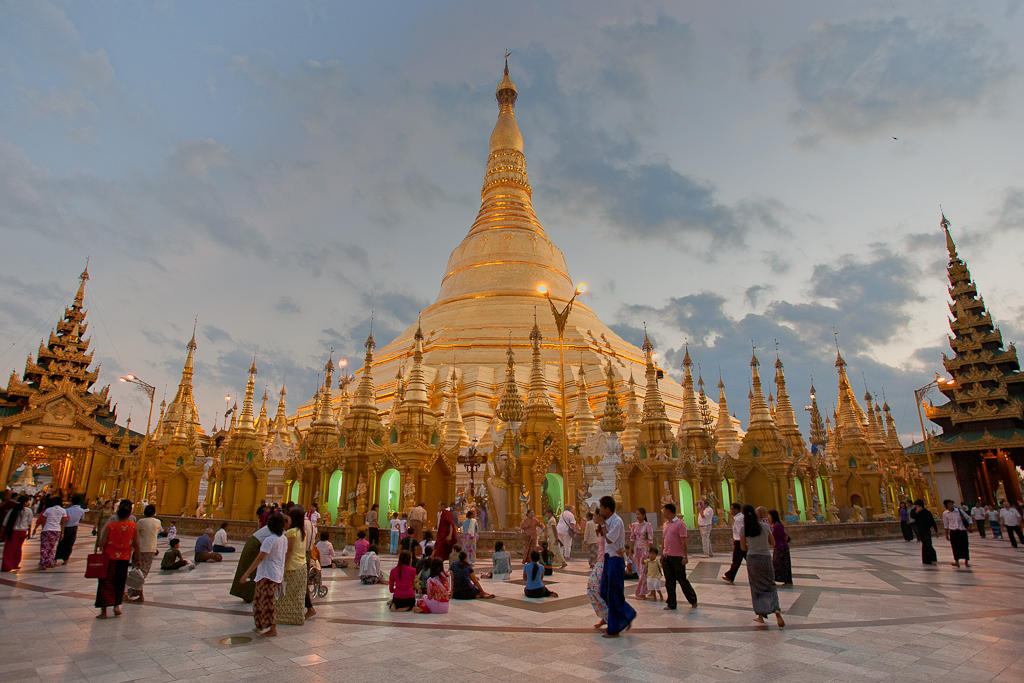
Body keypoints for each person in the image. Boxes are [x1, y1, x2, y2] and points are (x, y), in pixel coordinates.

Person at [239, 512, 288, 637]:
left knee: (266, 601)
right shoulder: (283, 538)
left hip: (268, 574)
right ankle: (260, 624)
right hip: (274, 573)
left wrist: (246, 574)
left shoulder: (270, 540)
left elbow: (259, 558)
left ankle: (272, 628)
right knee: (259, 600)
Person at [598, 495, 636, 638]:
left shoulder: (617, 522)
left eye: (602, 508)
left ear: (607, 509)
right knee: (603, 591)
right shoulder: (609, 521)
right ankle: (627, 613)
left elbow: (609, 538)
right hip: (609, 558)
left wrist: (602, 525)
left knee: (613, 594)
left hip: (616, 560)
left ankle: (613, 629)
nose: (600, 511)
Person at [95, 500, 140, 619]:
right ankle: (116, 607)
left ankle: (103, 610)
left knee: (105, 583)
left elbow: (101, 542)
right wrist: (137, 558)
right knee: (119, 583)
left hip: (109, 557)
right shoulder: (132, 525)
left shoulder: (111, 524)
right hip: (124, 558)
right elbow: (136, 544)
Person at [741, 505, 784, 627]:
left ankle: (760, 615)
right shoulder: (765, 527)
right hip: (765, 558)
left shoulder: (744, 529)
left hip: (753, 559)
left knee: (756, 586)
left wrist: (752, 546)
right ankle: (776, 609)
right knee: (770, 584)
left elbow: (743, 547)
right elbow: (773, 543)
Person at [280, 506, 314, 623]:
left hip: (292, 565)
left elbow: (289, 551)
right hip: (302, 564)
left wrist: (282, 566)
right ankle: (298, 615)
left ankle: (287, 615)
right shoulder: (303, 531)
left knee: (288, 592)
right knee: (299, 592)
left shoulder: (291, 532)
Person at [660, 503, 698, 610]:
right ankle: (671, 603)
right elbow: (664, 540)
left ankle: (692, 599)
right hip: (667, 556)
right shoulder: (666, 524)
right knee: (669, 581)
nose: (663, 512)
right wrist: (662, 554)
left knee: (682, 580)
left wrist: (685, 556)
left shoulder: (680, 524)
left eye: (664, 510)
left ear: (669, 511)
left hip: (677, 557)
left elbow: (683, 542)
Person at [231, 524, 275, 602]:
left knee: (252, 571)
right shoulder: (278, 528)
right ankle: (246, 594)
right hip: (254, 546)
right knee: (251, 570)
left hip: (255, 544)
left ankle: (249, 594)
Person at [128, 504, 162, 602]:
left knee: (137, 571)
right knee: (142, 572)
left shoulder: (141, 522)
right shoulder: (158, 522)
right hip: (151, 550)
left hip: (140, 549)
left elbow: (135, 533)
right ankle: (137, 592)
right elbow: (160, 531)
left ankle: (137, 593)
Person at [586, 515, 609, 630]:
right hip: (599, 562)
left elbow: (614, 543)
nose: (594, 516)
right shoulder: (598, 528)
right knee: (592, 588)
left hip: (606, 562)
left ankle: (609, 616)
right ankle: (606, 616)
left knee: (596, 588)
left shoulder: (609, 527)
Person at [2, 495, 32, 572]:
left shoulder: (13, 510)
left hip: (13, 531)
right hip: (22, 531)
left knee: (9, 549)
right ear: (25, 502)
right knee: (18, 548)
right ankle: (15, 564)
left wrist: (3, 533)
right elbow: (29, 523)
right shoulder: (28, 511)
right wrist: (29, 533)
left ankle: (7, 565)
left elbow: (5, 522)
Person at [55, 494, 88, 565]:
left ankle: (56, 558)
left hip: (66, 527)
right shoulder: (81, 510)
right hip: (74, 527)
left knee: (62, 543)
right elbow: (81, 519)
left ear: (72, 501)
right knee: (70, 544)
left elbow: (64, 520)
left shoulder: (67, 510)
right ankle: (66, 559)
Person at [38, 496, 67, 570]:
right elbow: (63, 523)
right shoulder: (63, 511)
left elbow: (43, 520)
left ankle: (43, 562)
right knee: (52, 547)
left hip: (47, 529)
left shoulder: (48, 510)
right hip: (57, 530)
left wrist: (44, 528)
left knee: (44, 547)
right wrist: (62, 533)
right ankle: (49, 561)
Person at [630, 507, 654, 599]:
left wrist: (650, 553)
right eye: (636, 514)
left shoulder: (648, 525)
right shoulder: (634, 525)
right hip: (637, 550)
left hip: (645, 550)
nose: (637, 516)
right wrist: (631, 550)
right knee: (641, 571)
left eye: (639, 514)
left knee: (644, 572)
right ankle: (651, 590)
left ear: (644, 515)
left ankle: (642, 592)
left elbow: (650, 540)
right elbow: (632, 538)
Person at [722, 503, 746, 584]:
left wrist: (739, 541)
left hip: (740, 542)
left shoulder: (739, 519)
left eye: (732, 509)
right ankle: (730, 576)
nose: (731, 511)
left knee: (736, 560)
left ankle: (730, 576)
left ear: (736, 510)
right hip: (740, 541)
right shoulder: (739, 518)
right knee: (739, 560)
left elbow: (741, 532)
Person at [942, 499, 971, 568]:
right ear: (946, 506)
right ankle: (956, 561)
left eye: (951, 504)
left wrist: (969, 527)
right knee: (955, 547)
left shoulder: (959, 511)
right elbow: (946, 524)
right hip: (953, 532)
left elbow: (968, 518)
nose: (951, 505)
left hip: (962, 531)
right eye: (949, 504)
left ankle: (966, 561)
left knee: (964, 546)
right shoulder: (945, 513)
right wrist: (946, 534)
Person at [768, 509, 793, 586]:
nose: (768, 517)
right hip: (777, 547)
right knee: (777, 564)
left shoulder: (778, 526)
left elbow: (784, 536)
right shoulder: (773, 526)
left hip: (781, 548)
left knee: (781, 564)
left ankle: (787, 581)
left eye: (769, 515)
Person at [910, 499, 938, 565]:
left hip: (926, 530)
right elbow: (912, 516)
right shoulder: (915, 511)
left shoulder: (926, 512)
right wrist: (917, 512)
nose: (916, 507)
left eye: (917, 505)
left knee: (928, 543)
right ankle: (926, 560)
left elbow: (932, 521)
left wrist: (935, 530)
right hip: (920, 530)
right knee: (924, 544)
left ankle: (933, 558)